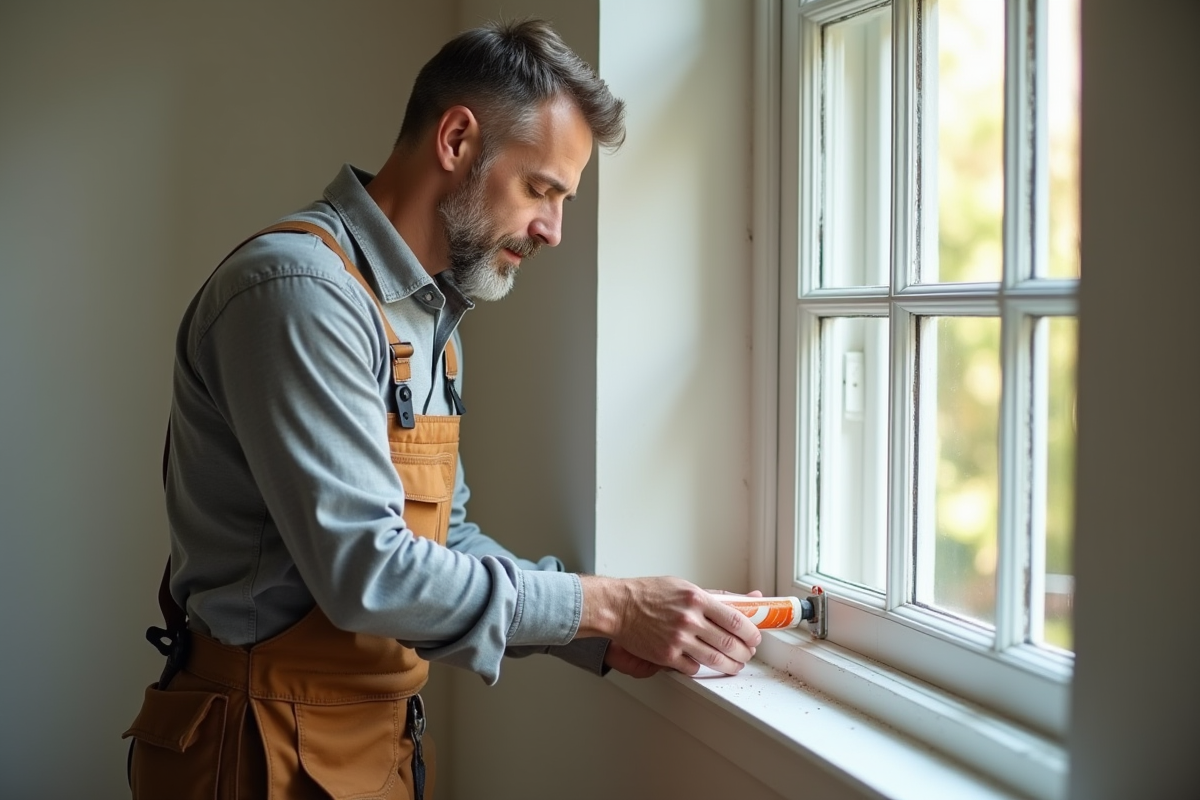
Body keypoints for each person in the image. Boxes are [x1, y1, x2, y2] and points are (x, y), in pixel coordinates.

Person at [123, 18, 762, 800]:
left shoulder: (430, 323)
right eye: (541, 189)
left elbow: (446, 540)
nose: (552, 231)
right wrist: (611, 606)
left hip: (370, 746)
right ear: (457, 139)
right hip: (255, 752)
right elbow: (369, 573)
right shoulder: (299, 294)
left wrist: (603, 638)